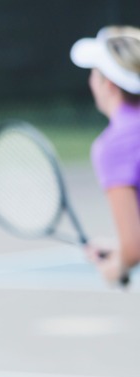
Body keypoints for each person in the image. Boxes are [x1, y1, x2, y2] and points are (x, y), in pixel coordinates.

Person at [70, 26, 140, 286]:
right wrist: (119, 247)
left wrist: (117, 266)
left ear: (107, 84)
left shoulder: (115, 146)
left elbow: (134, 249)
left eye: (93, 74)